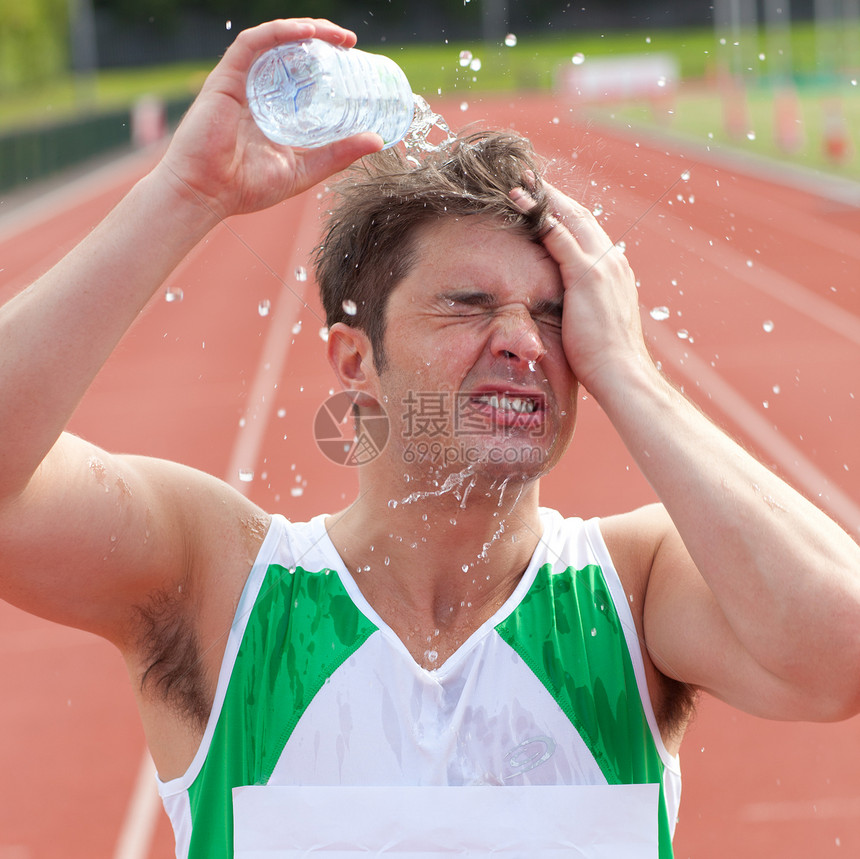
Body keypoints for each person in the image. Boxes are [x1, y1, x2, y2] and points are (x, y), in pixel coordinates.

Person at [2, 16, 860, 859]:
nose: (525, 340)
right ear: (354, 358)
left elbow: (840, 652)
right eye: (469, 304)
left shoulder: (635, 592)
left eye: (558, 316)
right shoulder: (221, 588)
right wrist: (181, 197)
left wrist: (629, 372)